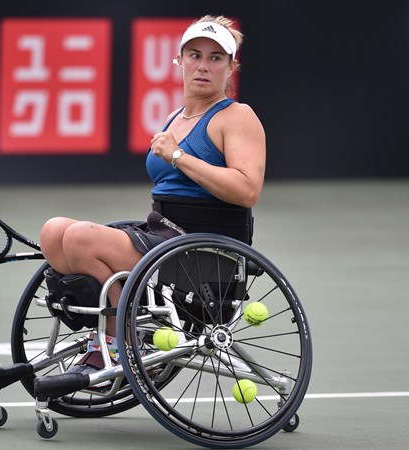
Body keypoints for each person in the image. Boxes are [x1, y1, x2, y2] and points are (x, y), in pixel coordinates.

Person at [39, 15, 266, 374]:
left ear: (232, 67)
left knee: (80, 238)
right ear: (178, 61)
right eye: (194, 55)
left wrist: (178, 156)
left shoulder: (237, 117)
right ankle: (122, 327)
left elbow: (247, 190)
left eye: (215, 58)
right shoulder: (176, 117)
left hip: (200, 250)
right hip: (162, 234)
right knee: (54, 231)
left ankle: (119, 340)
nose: (203, 66)